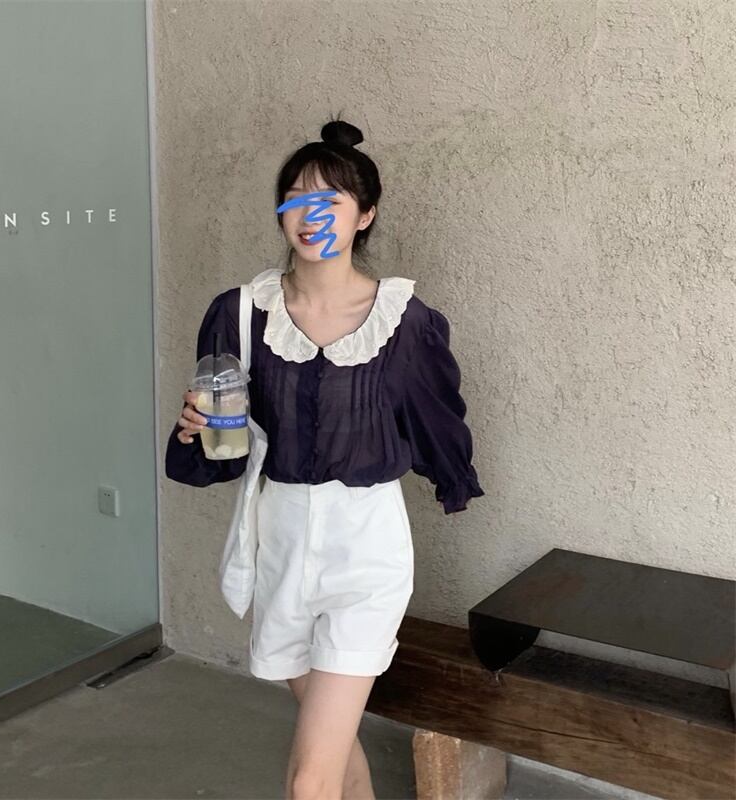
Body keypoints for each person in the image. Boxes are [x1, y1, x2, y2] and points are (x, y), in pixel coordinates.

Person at [166, 116, 484, 800]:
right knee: (331, 753)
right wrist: (195, 431)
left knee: (310, 779)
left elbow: (437, 416)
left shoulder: (403, 320)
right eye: (296, 199)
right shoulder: (240, 313)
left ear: (364, 215)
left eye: (330, 200)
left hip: (364, 546)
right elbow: (225, 445)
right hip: (278, 541)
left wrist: (452, 479)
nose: (311, 215)